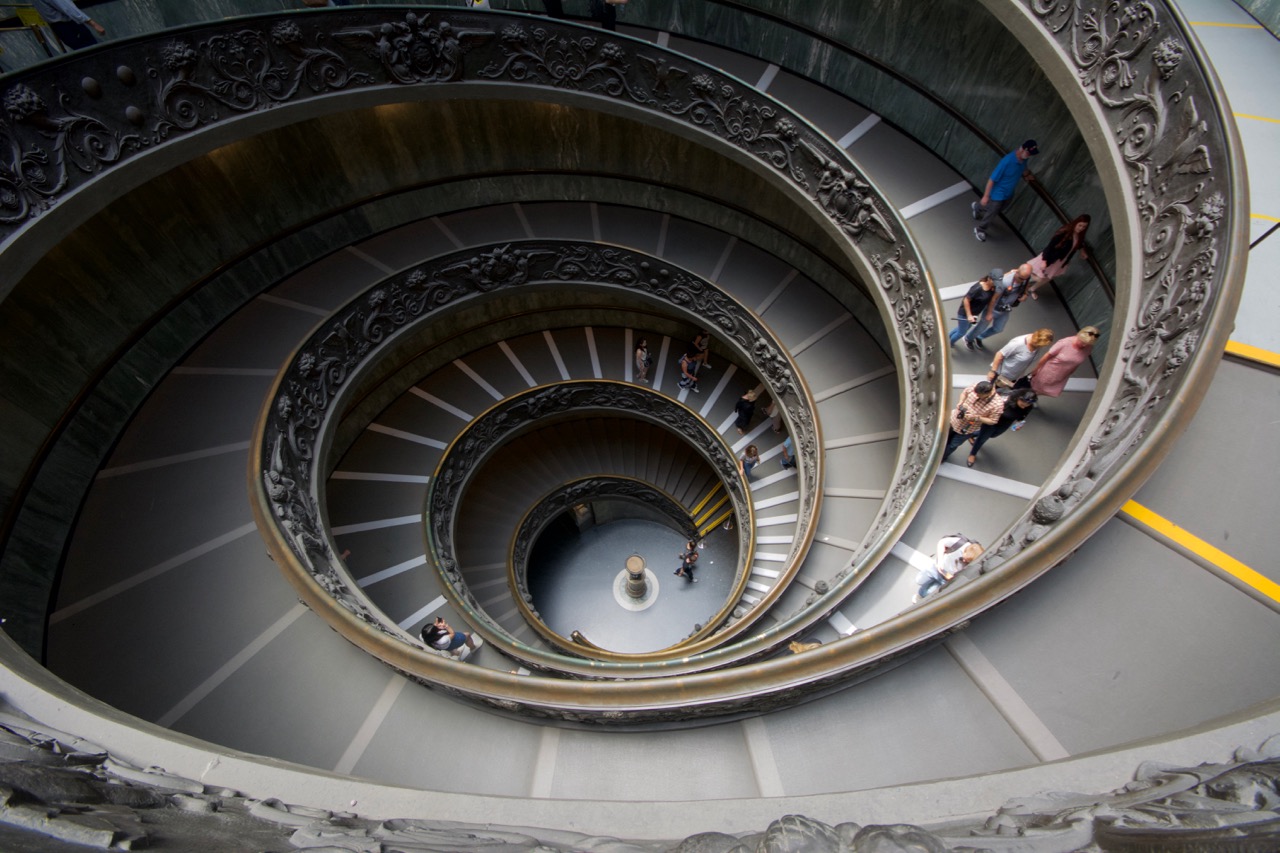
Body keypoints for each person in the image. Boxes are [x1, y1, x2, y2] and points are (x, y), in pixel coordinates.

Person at [971, 139, 1038, 242]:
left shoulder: (1024, 160)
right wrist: (986, 196)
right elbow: (991, 180)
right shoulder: (1007, 161)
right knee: (993, 211)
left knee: (997, 210)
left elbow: (1024, 169)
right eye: (1029, 153)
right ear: (1023, 149)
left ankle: (977, 207)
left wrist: (1027, 175)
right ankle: (980, 229)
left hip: (1009, 193)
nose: (1029, 156)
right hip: (998, 193)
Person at [966, 389, 1037, 468]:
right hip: (992, 422)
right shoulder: (1005, 402)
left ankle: (972, 434)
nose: (1024, 406)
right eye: (1023, 403)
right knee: (982, 438)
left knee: (993, 435)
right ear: (1018, 398)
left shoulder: (1028, 407)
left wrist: (1019, 423)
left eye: (1027, 404)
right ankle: (972, 454)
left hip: (1005, 424)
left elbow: (1022, 416)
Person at [1028, 214, 1090, 299]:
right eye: (1080, 225)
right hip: (1051, 257)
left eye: (1084, 227)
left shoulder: (1079, 236)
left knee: (1048, 277)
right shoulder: (1065, 232)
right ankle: (1021, 281)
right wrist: (1045, 260)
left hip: (1061, 260)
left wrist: (1082, 250)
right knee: (1037, 274)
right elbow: (1050, 246)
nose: (1081, 228)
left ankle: (1031, 288)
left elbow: (1078, 244)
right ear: (1076, 223)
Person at [1030, 326, 1099, 397]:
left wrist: (1070, 372)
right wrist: (1036, 369)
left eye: (1087, 344)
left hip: (1062, 374)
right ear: (1078, 336)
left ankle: (1031, 398)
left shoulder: (1089, 348)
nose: (1084, 345)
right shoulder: (1064, 343)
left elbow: (1078, 362)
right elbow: (1047, 356)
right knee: (1035, 386)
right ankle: (1025, 399)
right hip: (1049, 371)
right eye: (1083, 342)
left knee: (1045, 390)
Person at [943, 380, 1003, 461]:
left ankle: (942, 457)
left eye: (979, 395)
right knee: (943, 437)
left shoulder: (997, 405)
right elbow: (964, 393)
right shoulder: (974, 387)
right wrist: (961, 402)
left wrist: (976, 418)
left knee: (953, 445)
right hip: (954, 419)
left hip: (967, 428)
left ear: (987, 393)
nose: (976, 395)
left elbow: (993, 421)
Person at [913, 535, 983, 603]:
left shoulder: (973, 563)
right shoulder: (960, 543)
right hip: (936, 568)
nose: (964, 561)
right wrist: (940, 561)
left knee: (927, 592)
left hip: (945, 578)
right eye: (964, 559)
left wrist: (953, 577)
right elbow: (942, 542)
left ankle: (920, 595)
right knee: (919, 580)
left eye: (967, 561)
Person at [975, 264, 1033, 343]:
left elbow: (1026, 286)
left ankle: (979, 337)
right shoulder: (1005, 281)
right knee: (981, 326)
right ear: (1017, 272)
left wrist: (1025, 294)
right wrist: (989, 313)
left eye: (1025, 279)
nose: (1022, 281)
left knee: (998, 329)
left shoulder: (1025, 278)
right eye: (1021, 278)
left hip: (1005, 308)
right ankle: (969, 338)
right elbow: (994, 298)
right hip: (994, 307)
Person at [986, 328, 1054, 389]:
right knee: (991, 391)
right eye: (1038, 345)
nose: (1039, 347)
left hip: (1013, 376)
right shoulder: (1018, 343)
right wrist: (993, 371)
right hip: (1001, 374)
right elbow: (1000, 354)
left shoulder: (1037, 346)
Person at [949, 270, 999, 350]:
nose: (995, 283)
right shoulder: (978, 288)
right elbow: (966, 300)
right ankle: (949, 344)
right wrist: (969, 315)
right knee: (961, 332)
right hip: (965, 313)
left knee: (962, 328)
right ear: (989, 278)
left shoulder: (992, 288)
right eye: (994, 281)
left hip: (974, 314)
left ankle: (948, 337)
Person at [31, 0, 105, 51]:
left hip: (58, 27)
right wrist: (93, 24)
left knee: (83, 53)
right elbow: (68, 9)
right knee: (92, 51)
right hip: (69, 26)